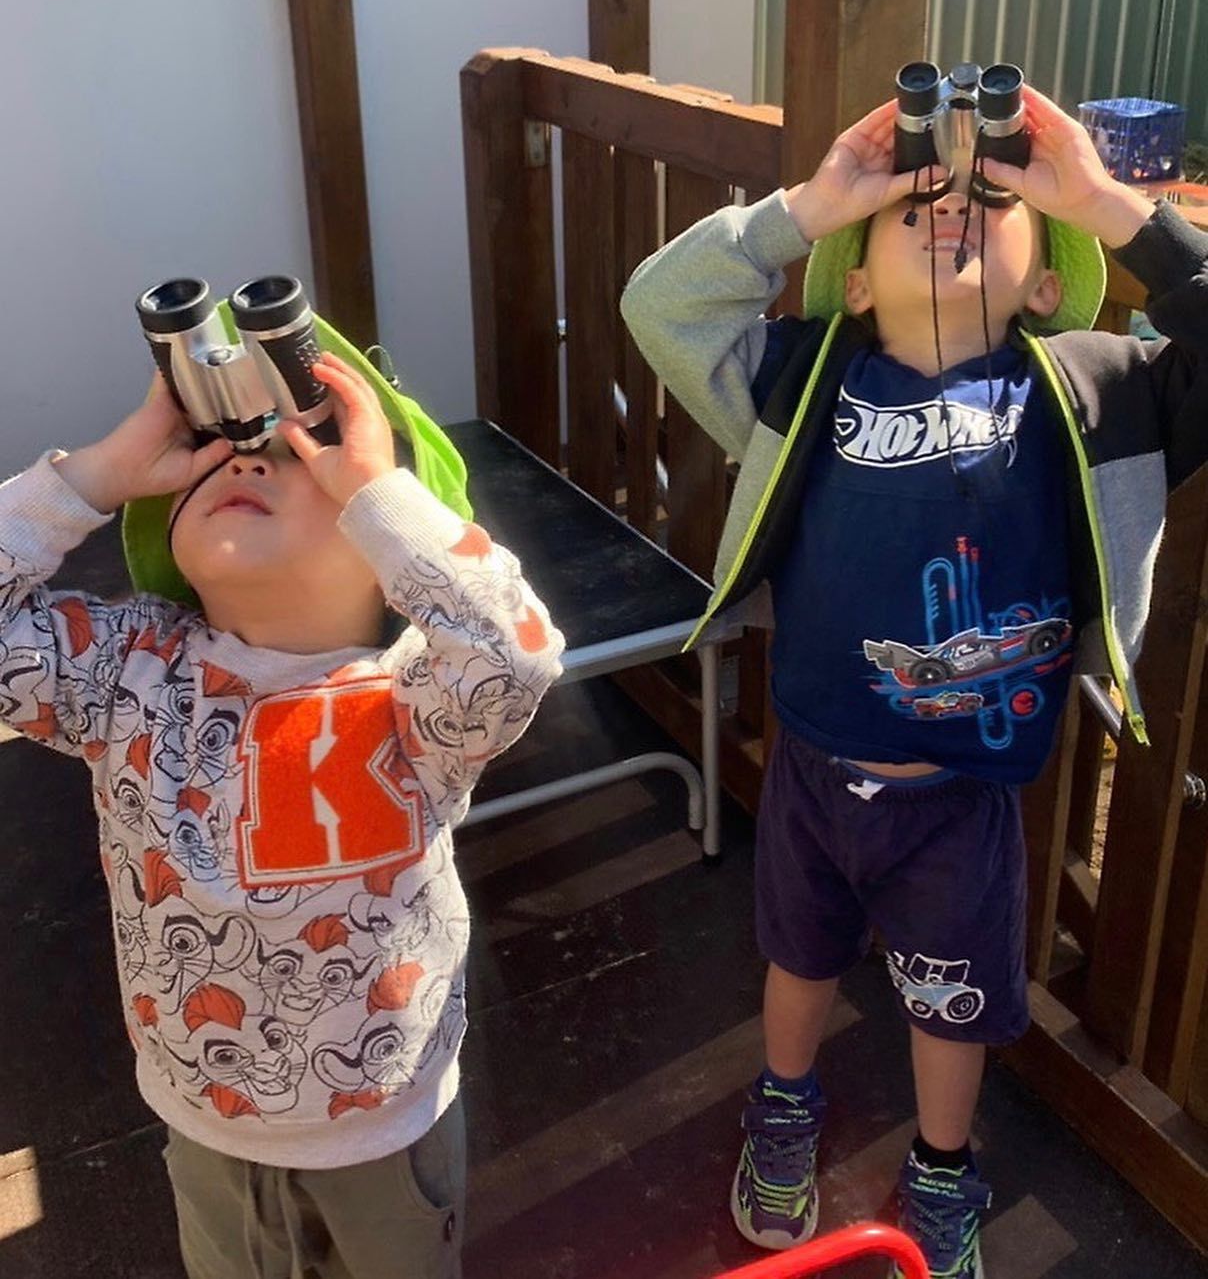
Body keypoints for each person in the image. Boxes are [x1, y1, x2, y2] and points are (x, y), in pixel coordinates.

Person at [621, 84, 1208, 1278]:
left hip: (962, 791)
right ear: (851, 279)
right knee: (795, 954)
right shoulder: (801, 379)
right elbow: (660, 305)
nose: (950, 210)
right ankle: (782, 1107)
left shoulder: (1095, 391)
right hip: (813, 761)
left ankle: (941, 1167)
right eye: (914, 206)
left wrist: (1102, 203)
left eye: (989, 197)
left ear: (1043, 282)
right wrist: (811, 203)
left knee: (952, 1002)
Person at [0, 320, 563, 1279]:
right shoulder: (128, 669)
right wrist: (94, 473)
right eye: (221, 456)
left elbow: (515, 652)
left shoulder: (415, 696)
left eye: (307, 459)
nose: (252, 464)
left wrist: (380, 492)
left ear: (393, 551)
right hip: (199, 1115)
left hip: (383, 1126)